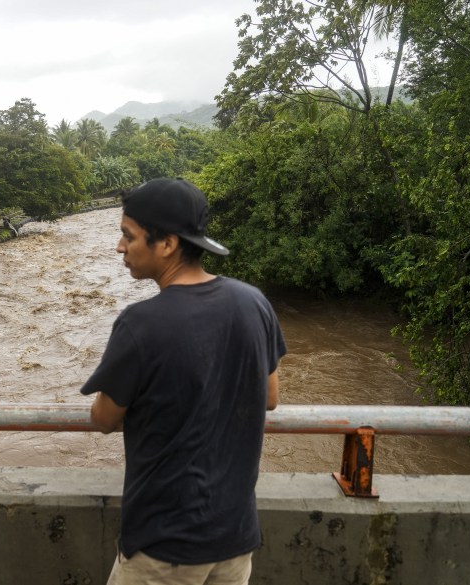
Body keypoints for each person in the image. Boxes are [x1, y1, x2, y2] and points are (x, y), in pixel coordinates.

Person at [80, 178, 287, 585]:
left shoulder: (140, 324)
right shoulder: (253, 302)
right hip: (234, 539)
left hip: (163, 547)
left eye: (128, 236)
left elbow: (104, 418)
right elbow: (270, 397)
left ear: (168, 243)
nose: (120, 248)